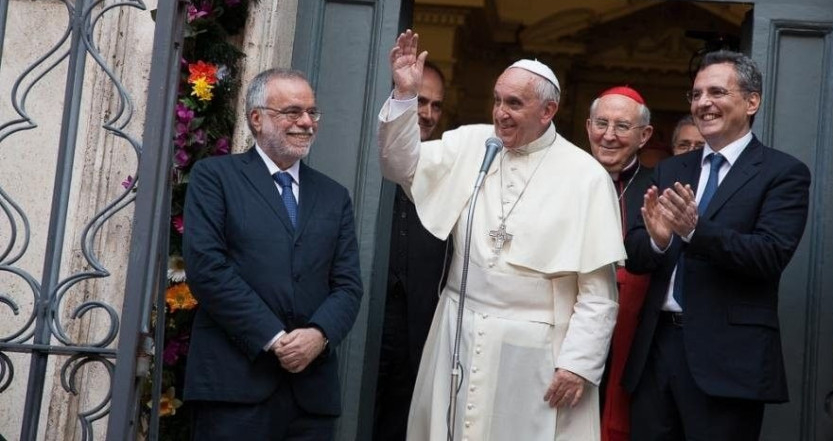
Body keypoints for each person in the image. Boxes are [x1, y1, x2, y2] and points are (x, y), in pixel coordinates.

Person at [378, 29, 625, 441]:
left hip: (533, 351)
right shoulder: (472, 143)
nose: (500, 113)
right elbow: (398, 165)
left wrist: (577, 364)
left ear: (548, 111)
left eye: (514, 103)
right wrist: (405, 95)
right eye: (497, 100)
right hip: (458, 328)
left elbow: (599, 294)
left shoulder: (586, 177)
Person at [623, 51, 811, 440]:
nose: (703, 103)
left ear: (752, 101)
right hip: (657, 351)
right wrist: (658, 241)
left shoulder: (783, 173)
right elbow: (635, 253)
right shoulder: (672, 168)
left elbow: (769, 255)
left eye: (716, 92)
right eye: (696, 94)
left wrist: (695, 232)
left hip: (728, 362)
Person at [182, 68, 363, 440]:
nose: (307, 122)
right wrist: (274, 337)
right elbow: (207, 269)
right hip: (235, 388)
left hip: (310, 398)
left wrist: (319, 334)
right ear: (256, 118)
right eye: (292, 112)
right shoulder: (215, 177)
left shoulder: (334, 196)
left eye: (312, 112)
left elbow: (348, 286)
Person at [373, 62, 453, 441]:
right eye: (421, 101)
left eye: (436, 105)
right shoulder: (367, 154)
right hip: (367, 319)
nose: (428, 114)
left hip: (418, 326)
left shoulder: (449, 166)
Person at [585, 86, 654, 441]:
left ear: (644, 136)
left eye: (622, 126)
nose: (608, 135)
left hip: (630, 330)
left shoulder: (657, 185)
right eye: (601, 123)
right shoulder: (562, 177)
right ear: (588, 127)